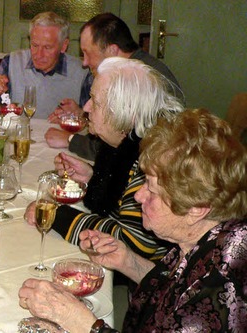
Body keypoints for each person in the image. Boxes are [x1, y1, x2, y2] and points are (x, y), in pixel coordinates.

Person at [19, 109, 247, 332]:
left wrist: (81, 323)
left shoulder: (219, 289)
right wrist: (129, 262)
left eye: (152, 190)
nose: (139, 196)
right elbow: (176, 287)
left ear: (197, 209)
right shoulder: (206, 239)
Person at [25, 57, 184, 260]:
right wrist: (94, 177)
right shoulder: (125, 144)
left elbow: (132, 242)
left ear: (125, 113)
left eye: (96, 102)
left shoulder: (152, 160)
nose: (86, 107)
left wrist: (56, 215)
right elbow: (120, 195)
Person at [45, 12, 183, 160]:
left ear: (112, 50)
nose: (84, 62)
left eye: (87, 53)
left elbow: (126, 145)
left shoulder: (140, 79)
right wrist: (86, 113)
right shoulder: (133, 67)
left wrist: (71, 140)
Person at [0, 12, 87, 117]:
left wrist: (80, 114)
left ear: (64, 46)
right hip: (19, 134)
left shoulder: (82, 71)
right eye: (35, 45)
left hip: (62, 134)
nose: (39, 54)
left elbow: (98, 123)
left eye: (47, 47)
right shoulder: (12, 62)